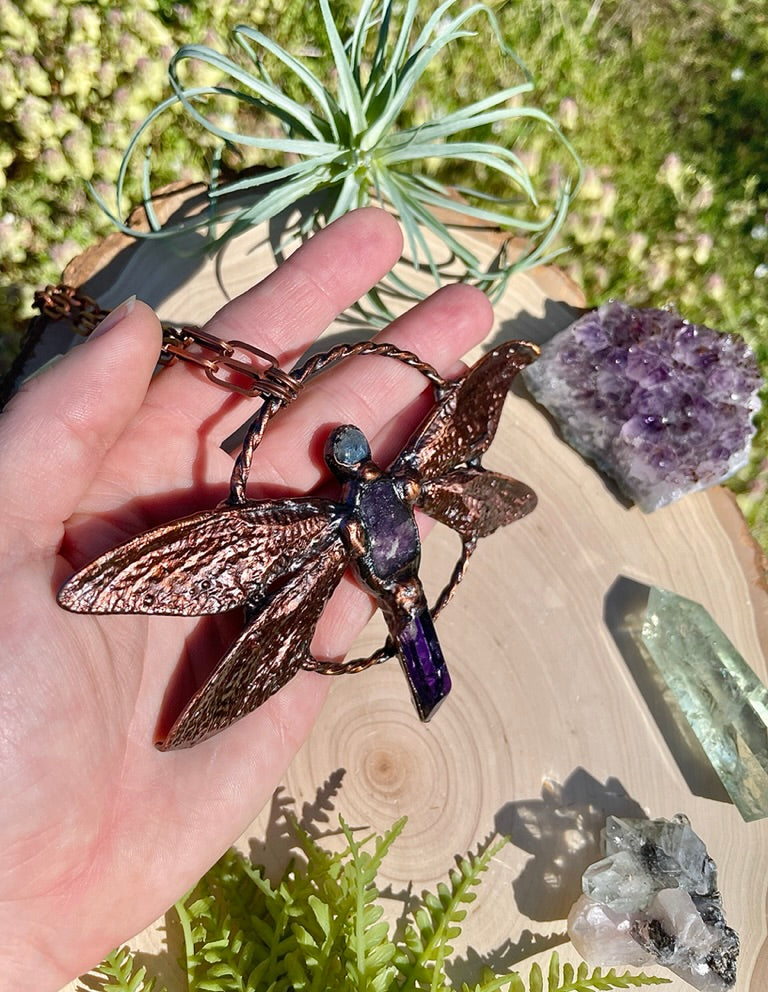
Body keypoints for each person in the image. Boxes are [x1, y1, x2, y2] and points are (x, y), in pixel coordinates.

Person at [0, 207, 494, 987]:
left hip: (375, 557)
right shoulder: (396, 480)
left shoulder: (331, 508)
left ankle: (417, 651)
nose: (344, 453)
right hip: (393, 566)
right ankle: (424, 663)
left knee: (373, 608)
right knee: (400, 606)